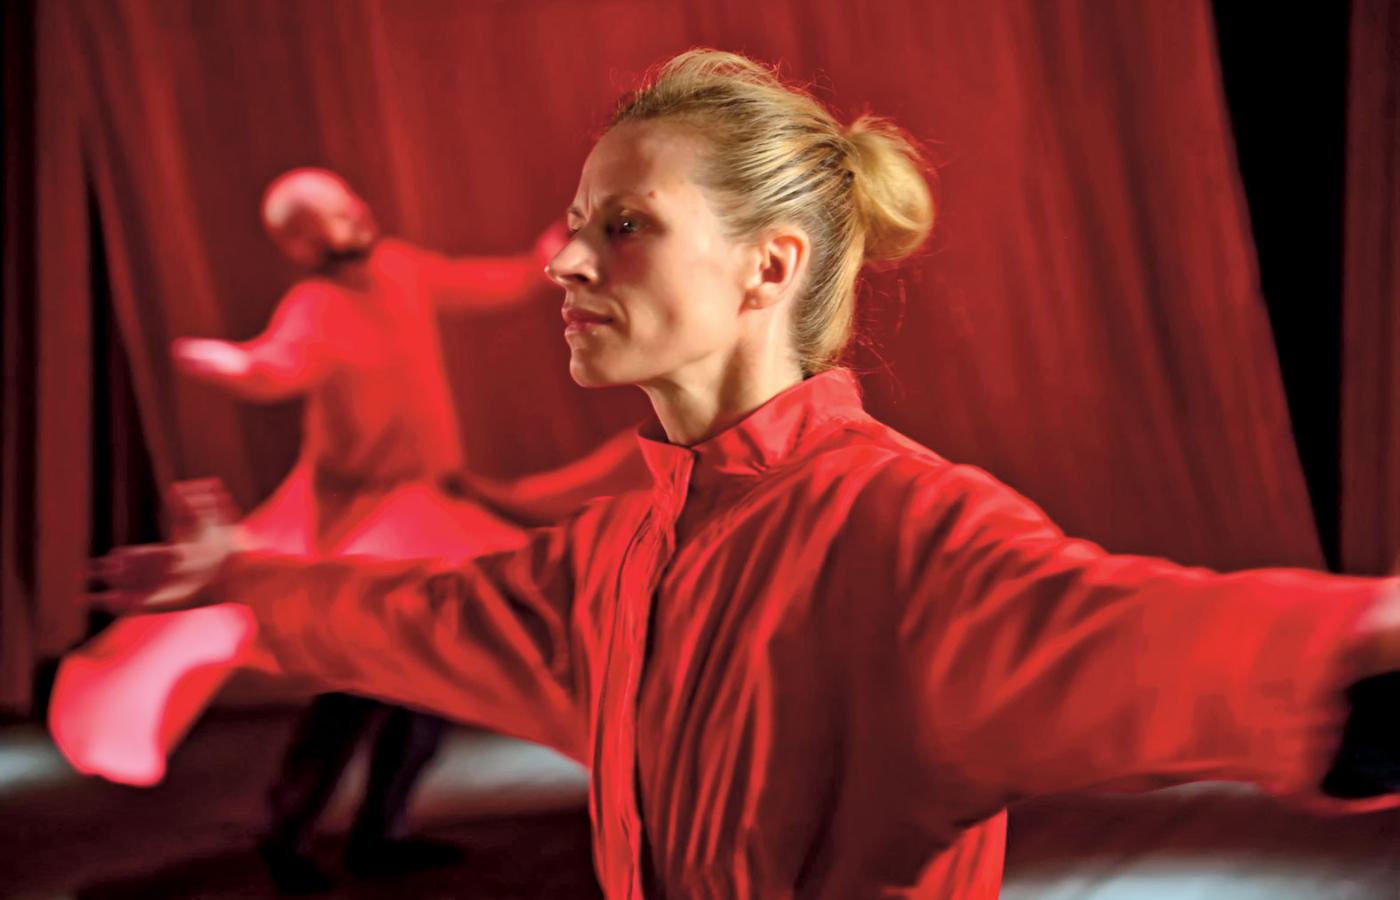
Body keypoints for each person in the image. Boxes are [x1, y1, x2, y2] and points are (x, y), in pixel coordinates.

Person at [96, 51, 1400, 899]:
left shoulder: (906, 535)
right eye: (576, 226)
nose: (563, 264)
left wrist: (1354, 645)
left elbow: (1146, 636)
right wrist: (242, 581)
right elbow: (414, 617)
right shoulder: (612, 560)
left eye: (623, 226)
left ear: (768, 266)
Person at [171, 168, 563, 892]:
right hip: (368, 524)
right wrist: (235, 365)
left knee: (433, 681)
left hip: (426, 514)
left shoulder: (401, 270)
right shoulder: (315, 306)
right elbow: (275, 368)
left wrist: (538, 262)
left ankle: (379, 831)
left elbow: (477, 284)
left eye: (349, 203)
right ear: (299, 244)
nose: (354, 214)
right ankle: (288, 833)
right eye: (330, 213)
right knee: (356, 685)